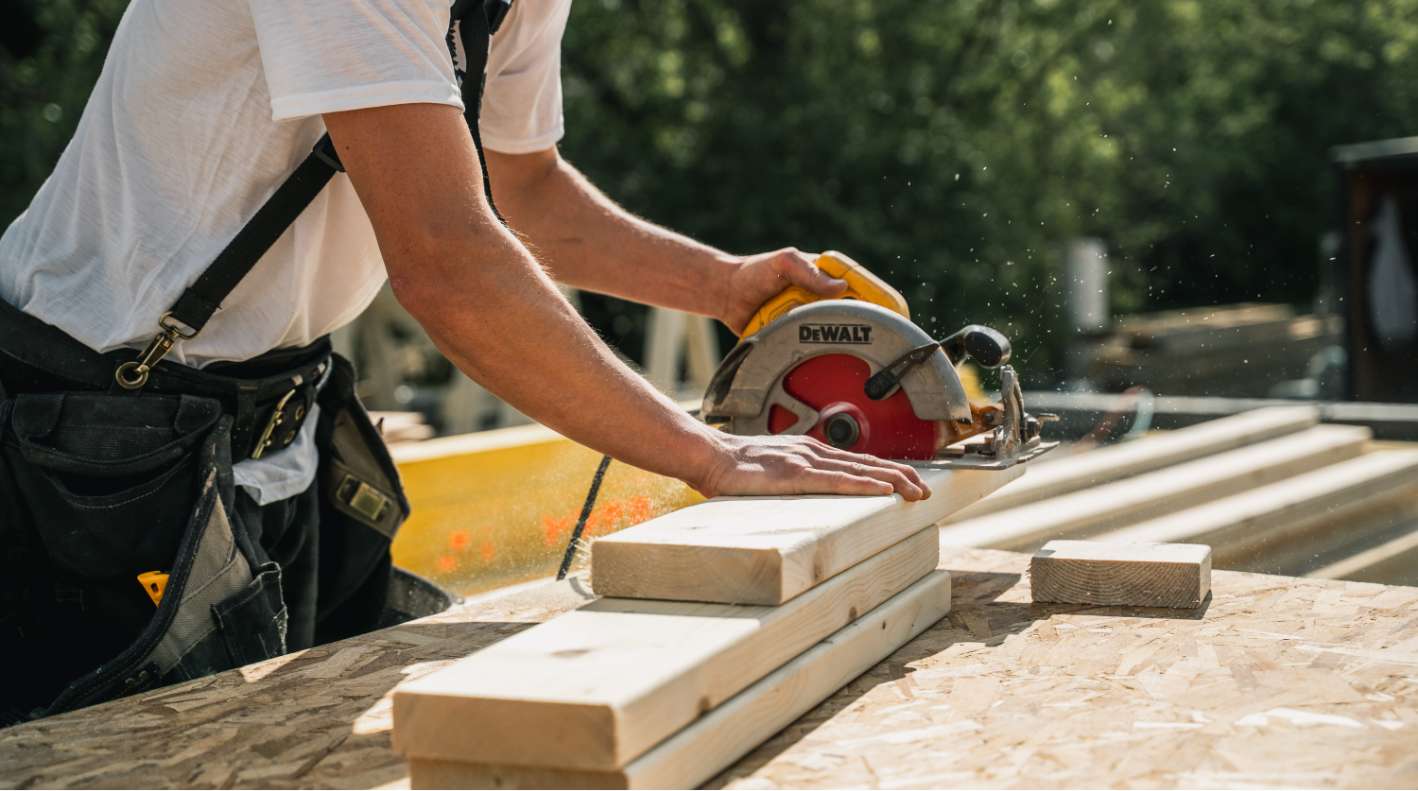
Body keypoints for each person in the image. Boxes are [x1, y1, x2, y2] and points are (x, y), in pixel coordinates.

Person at [0, 0, 929, 722]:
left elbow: (520, 186)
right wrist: (708, 453)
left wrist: (726, 287)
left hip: (275, 415)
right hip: (93, 436)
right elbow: (447, 262)